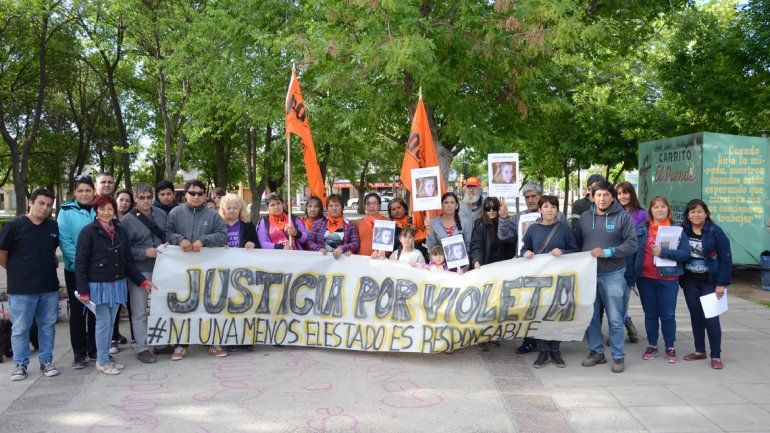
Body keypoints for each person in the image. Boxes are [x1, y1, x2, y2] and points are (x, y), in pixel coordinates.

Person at [75, 195, 155, 375]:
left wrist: (142, 281)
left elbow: (127, 261)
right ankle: (102, 361)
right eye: (102, 209)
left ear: (114, 210)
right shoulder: (88, 232)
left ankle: (106, 358)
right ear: (96, 210)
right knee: (103, 323)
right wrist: (83, 290)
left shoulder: (120, 231)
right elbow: (80, 262)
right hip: (98, 285)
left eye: (109, 209)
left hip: (118, 283)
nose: (106, 212)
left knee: (111, 323)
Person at [574, 180, 637, 373]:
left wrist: (608, 252)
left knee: (615, 318)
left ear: (612, 197)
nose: (602, 199)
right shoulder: (584, 218)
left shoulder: (622, 217)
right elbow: (576, 244)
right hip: (589, 276)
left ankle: (618, 356)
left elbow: (632, 244)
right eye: (598, 195)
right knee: (591, 318)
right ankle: (596, 352)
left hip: (613, 276)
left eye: (606, 195)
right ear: (592, 197)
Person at [0, 189, 60, 381]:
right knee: (20, 327)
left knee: (47, 326)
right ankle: (20, 364)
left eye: (49, 205)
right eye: (41, 203)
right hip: (22, 288)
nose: (45, 208)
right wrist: (18, 272)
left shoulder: (53, 226)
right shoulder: (13, 226)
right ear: (30, 202)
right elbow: (2, 254)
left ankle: (46, 361)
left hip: (49, 287)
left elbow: (52, 252)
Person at [165, 179, 228, 360]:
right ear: (185, 194)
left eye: (200, 193)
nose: (196, 196)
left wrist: (204, 240)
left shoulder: (213, 215)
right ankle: (181, 344)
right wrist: (179, 239)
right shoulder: (175, 213)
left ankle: (212, 342)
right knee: (182, 305)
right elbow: (167, 231)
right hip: (180, 270)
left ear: (204, 195)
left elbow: (222, 235)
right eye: (192, 193)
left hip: (207, 270)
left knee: (208, 304)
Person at [498, 182, 564, 354]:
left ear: (541, 197)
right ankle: (529, 341)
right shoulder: (518, 217)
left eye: (534, 196)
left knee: (548, 307)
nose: (530, 200)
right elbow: (504, 236)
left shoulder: (558, 216)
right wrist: (504, 218)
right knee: (529, 307)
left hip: (552, 271)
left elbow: (567, 241)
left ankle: (551, 346)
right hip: (527, 268)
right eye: (527, 197)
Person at [520, 195, 579, 368]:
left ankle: (555, 350)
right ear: (540, 209)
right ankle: (543, 350)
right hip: (539, 280)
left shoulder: (564, 229)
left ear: (557, 210)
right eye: (546, 206)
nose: (549, 210)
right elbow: (524, 248)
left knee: (557, 314)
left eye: (553, 207)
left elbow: (574, 250)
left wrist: (563, 251)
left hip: (560, 279)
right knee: (540, 314)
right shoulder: (533, 229)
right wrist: (526, 253)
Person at [633, 195, 689, 363]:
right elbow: (634, 253)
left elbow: (686, 254)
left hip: (668, 278)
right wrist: (631, 278)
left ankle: (670, 347)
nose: (659, 209)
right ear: (650, 209)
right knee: (650, 314)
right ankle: (652, 345)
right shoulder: (642, 229)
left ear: (668, 210)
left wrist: (663, 252)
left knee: (667, 314)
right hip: (645, 278)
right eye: (656, 206)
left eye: (663, 206)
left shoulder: (676, 230)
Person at [680, 199, 731, 369]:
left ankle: (715, 355)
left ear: (706, 214)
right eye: (692, 211)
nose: (696, 215)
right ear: (688, 214)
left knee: (711, 319)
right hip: (690, 282)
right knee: (696, 317)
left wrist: (721, 284)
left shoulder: (715, 232)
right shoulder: (683, 231)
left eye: (699, 211)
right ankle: (700, 351)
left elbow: (726, 258)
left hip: (710, 282)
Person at [120, 183, 167, 364]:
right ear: (135, 198)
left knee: (161, 308)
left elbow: (168, 234)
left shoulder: (162, 215)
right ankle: (141, 347)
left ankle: (161, 342)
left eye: (149, 197)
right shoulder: (127, 220)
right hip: (139, 270)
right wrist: (143, 252)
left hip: (162, 268)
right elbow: (124, 250)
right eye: (142, 198)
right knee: (139, 310)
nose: (146, 201)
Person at [58, 175, 98, 369]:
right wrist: (84, 265)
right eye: (80, 191)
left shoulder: (101, 209)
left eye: (87, 190)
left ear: (94, 191)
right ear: (75, 192)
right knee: (78, 313)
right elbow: (65, 243)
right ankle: (79, 353)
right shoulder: (65, 212)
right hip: (76, 271)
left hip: (99, 272)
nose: (84, 194)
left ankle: (95, 349)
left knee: (97, 311)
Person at [469, 196, 515, 351]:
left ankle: (494, 334)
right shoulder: (480, 224)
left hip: (502, 268)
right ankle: (482, 336)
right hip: (486, 267)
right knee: (484, 304)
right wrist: (476, 261)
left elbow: (511, 241)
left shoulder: (505, 223)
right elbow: (476, 245)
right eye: (487, 208)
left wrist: (505, 218)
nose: (491, 211)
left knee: (498, 304)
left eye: (494, 207)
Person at [617, 181, 646, 344]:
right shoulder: (613, 213)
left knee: (623, 299)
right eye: (619, 193)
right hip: (614, 261)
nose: (622, 196)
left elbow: (641, 245)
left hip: (630, 263)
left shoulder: (641, 215)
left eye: (625, 193)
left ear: (631, 194)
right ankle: (627, 322)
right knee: (615, 301)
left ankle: (619, 332)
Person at [426, 192, 471, 271]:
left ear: (456, 206)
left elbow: (468, 244)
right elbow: (431, 247)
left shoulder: (465, 222)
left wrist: (467, 263)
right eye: (446, 202)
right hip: (440, 267)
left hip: (460, 267)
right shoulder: (434, 222)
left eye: (452, 202)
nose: (449, 205)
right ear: (441, 205)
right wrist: (428, 229)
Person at [356, 193, 388, 257]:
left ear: (379, 206)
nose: (371, 206)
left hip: (381, 260)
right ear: (365, 206)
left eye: (375, 203)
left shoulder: (387, 222)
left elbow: (389, 244)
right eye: (368, 203)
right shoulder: (358, 223)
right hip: (361, 260)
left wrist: (382, 252)